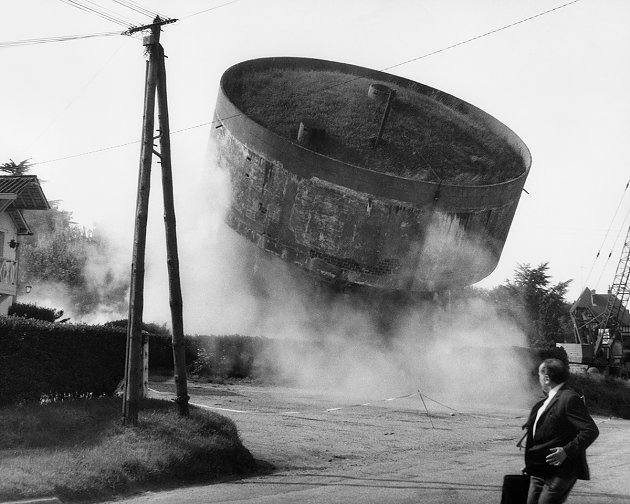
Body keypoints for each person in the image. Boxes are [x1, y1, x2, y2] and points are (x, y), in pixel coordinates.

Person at [523, 358, 599, 503]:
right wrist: (531, 461)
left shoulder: (569, 398)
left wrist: (566, 451)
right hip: (539, 469)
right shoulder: (546, 401)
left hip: (560, 472)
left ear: (546, 378)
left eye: (539, 375)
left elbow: (590, 430)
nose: (538, 379)